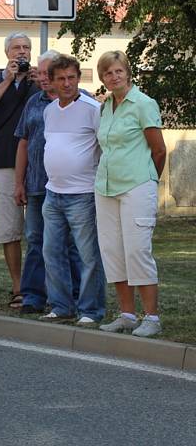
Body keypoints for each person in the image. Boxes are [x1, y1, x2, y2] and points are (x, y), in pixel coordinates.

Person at [95, 51, 167, 338]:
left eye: (118, 71)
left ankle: (152, 317)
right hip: (105, 187)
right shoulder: (105, 107)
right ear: (103, 78)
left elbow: (159, 150)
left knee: (138, 251)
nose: (114, 77)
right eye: (108, 73)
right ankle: (126, 315)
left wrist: (148, 180)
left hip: (137, 185)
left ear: (128, 72)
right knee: (114, 252)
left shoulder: (144, 104)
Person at [13, 51, 82, 314]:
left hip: (72, 188)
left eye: (46, 73)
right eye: (39, 73)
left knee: (72, 245)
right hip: (37, 186)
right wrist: (18, 182)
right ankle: (33, 296)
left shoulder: (81, 101)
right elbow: (23, 141)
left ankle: (73, 296)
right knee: (36, 241)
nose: (42, 78)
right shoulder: (34, 103)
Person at [40, 54, 106, 325]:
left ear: (79, 78)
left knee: (88, 255)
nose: (67, 83)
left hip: (83, 194)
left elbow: (105, 148)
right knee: (51, 252)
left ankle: (91, 310)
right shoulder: (49, 110)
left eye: (72, 78)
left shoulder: (94, 109)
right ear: (52, 82)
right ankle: (61, 306)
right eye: (61, 79)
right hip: (52, 193)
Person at [0, 32, 39, 308]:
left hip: (38, 162)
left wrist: (39, 81)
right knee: (9, 228)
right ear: (7, 53)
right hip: (4, 159)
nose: (22, 52)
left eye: (26, 47)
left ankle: (41, 286)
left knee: (39, 230)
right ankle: (18, 287)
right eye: (16, 48)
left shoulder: (40, 79)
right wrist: (8, 80)